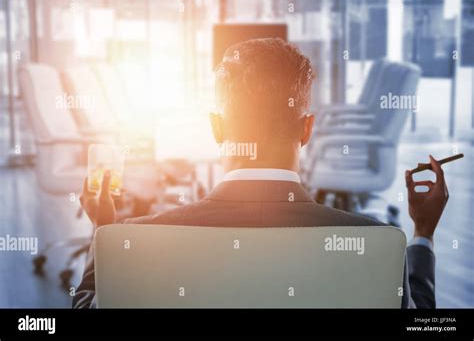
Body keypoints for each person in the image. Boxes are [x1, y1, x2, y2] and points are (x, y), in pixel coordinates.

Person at [73, 38, 449, 308]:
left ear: (217, 129)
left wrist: (102, 230)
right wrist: (424, 233)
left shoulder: (134, 244)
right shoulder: (377, 244)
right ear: (306, 129)